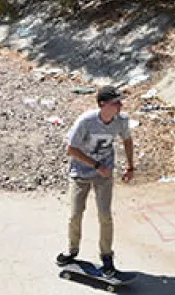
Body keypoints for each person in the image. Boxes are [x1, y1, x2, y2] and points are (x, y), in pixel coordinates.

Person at [57, 86, 136, 278]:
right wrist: (96, 165)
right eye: (115, 102)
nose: (120, 105)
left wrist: (130, 166)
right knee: (75, 214)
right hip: (81, 172)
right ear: (103, 104)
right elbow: (71, 149)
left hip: (104, 174)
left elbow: (127, 141)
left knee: (105, 215)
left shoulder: (121, 121)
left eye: (120, 102)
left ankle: (107, 257)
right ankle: (72, 251)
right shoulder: (86, 121)